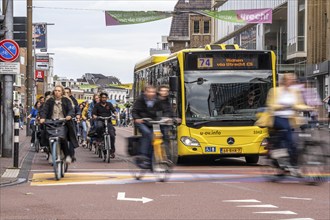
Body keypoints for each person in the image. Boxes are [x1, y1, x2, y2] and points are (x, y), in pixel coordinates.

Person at [263, 73, 312, 168]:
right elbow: (271, 106)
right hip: (276, 118)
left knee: (302, 130)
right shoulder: (274, 91)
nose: (292, 81)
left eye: (293, 79)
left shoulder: (294, 91)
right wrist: (283, 106)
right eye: (290, 79)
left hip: (290, 118)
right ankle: (290, 160)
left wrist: (308, 108)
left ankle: (294, 159)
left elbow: (298, 104)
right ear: (284, 81)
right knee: (288, 134)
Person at [132, 85, 168, 168]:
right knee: (147, 133)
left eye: (153, 92)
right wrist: (137, 118)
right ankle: (143, 156)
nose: (152, 94)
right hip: (142, 121)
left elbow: (164, 109)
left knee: (155, 137)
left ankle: (151, 159)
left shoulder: (157, 100)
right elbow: (134, 111)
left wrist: (166, 117)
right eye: (150, 92)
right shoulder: (140, 100)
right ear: (145, 92)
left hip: (152, 122)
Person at [39, 85, 75, 164]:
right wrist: (42, 117)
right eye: (55, 90)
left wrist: (69, 116)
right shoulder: (49, 100)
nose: (57, 92)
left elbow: (71, 110)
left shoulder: (66, 100)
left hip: (63, 122)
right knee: (48, 137)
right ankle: (51, 153)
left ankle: (67, 155)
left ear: (62, 92)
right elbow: (44, 110)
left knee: (63, 137)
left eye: (59, 91)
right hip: (51, 122)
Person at [92, 92, 117, 158]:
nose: (104, 99)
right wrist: (94, 116)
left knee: (112, 135)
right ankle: (99, 139)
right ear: (100, 98)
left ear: (107, 98)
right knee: (99, 126)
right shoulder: (97, 105)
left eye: (105, 97)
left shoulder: (109, 104)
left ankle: (112, 151)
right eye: (102, 97)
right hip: (100, 120)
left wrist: (115, 113)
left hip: (108, 121)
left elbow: (113, 110)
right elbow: (94, 112)